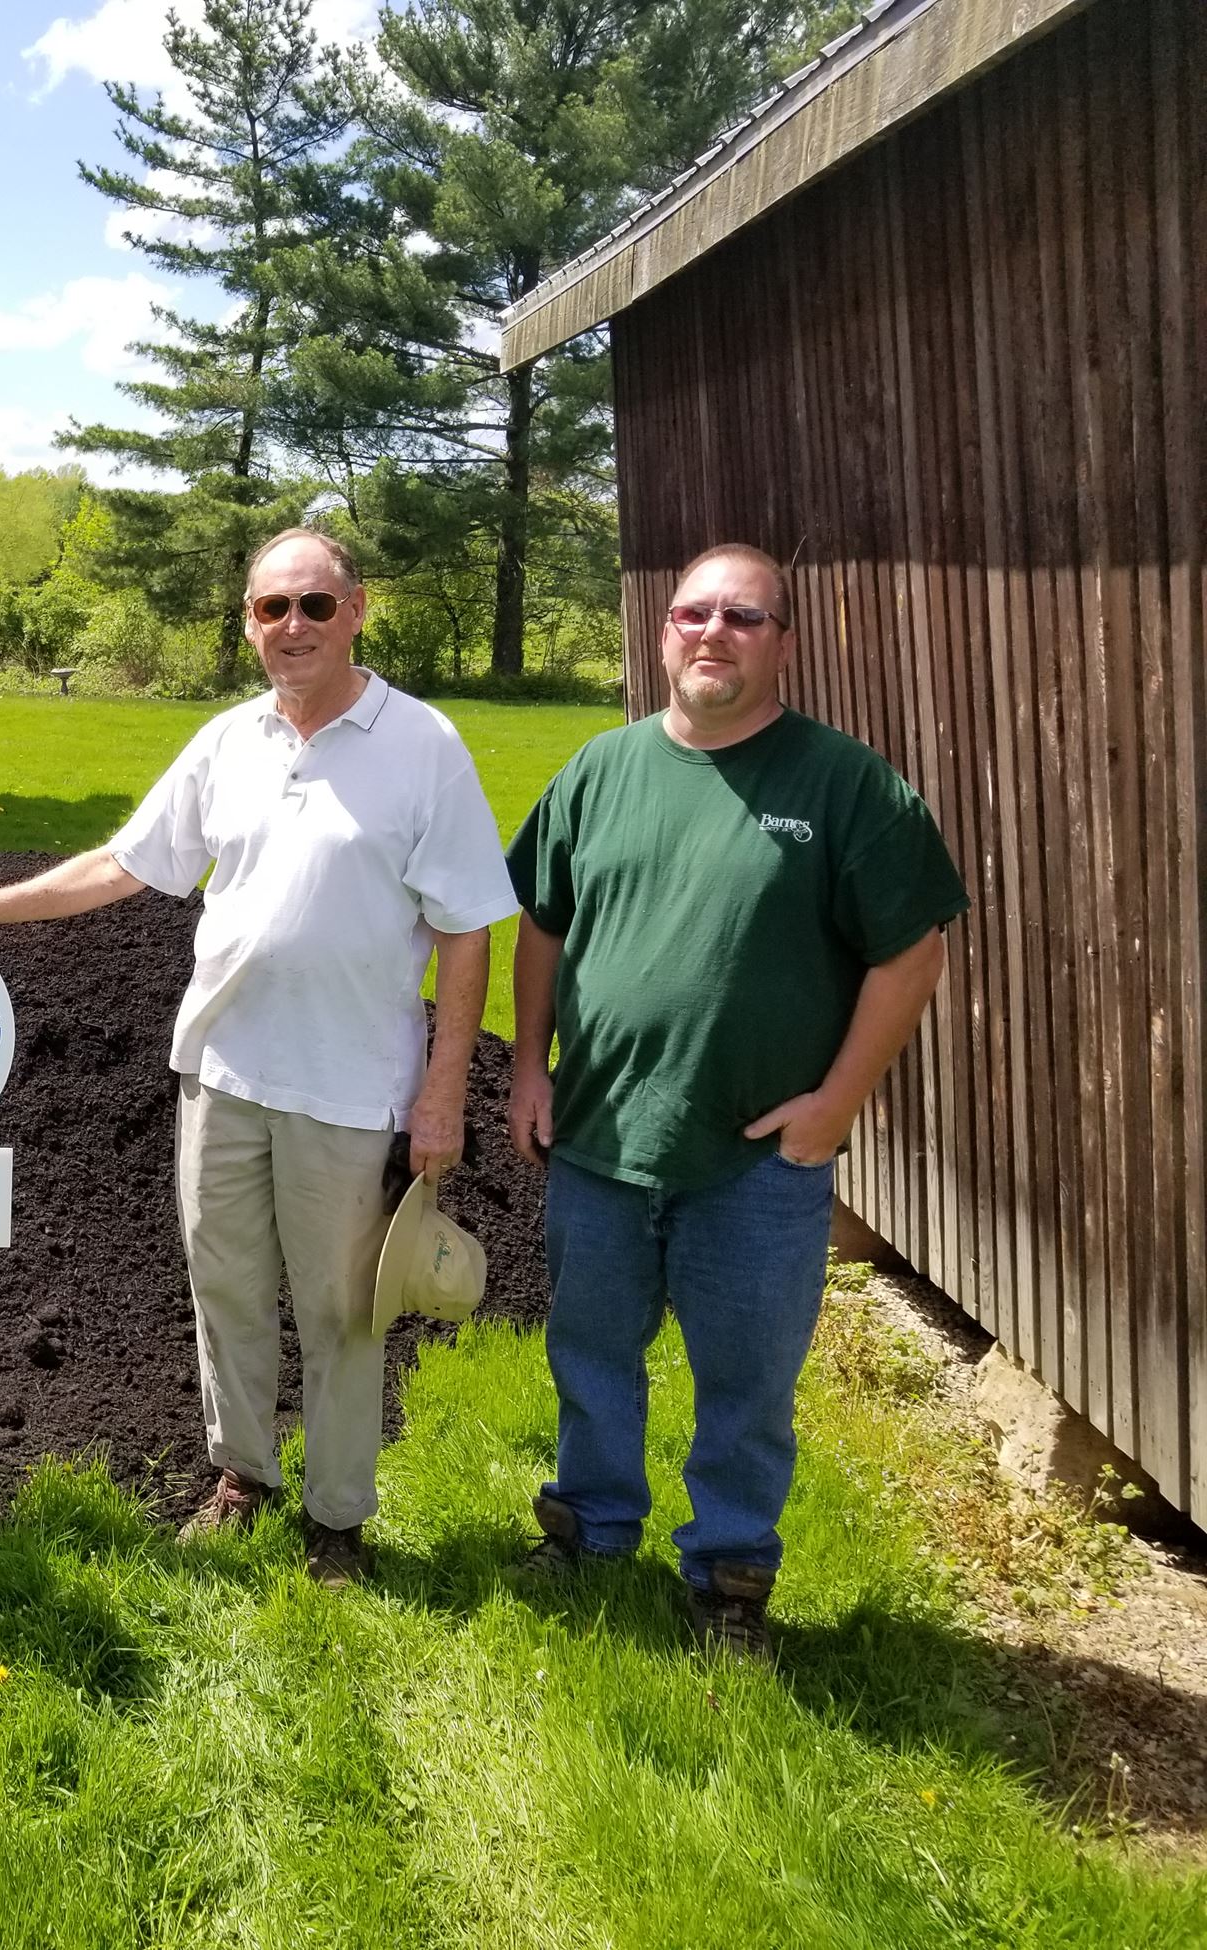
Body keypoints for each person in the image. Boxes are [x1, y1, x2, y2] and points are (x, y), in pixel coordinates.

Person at [0, 528, 517, 1586]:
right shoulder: (228, 742)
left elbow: (465, 930)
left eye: (313, 606)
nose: (291, 628)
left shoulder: (422, 747)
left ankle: (337, 1523)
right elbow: (122, 863)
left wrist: (442, 1088)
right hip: (219, 1072)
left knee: (340, 1309)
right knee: (221, 1285)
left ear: (356, 610)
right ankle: (242, 1477)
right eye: (269, 609)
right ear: (245, 623)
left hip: (349, 1085)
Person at [505, 542, 968, 1657]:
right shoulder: (597, 771)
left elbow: (910, 957)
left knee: (746, 1384)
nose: (712, 633)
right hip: (598, 1138)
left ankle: (726, 1578)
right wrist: (526, 1064)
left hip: (756, 1163)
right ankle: (589, 1529)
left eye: (742, 618)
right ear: (663, 633)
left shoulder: (845, 786)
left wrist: (833, 1108)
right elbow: (539, 923)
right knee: (589, 1353)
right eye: (692, 613)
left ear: (781, 645)